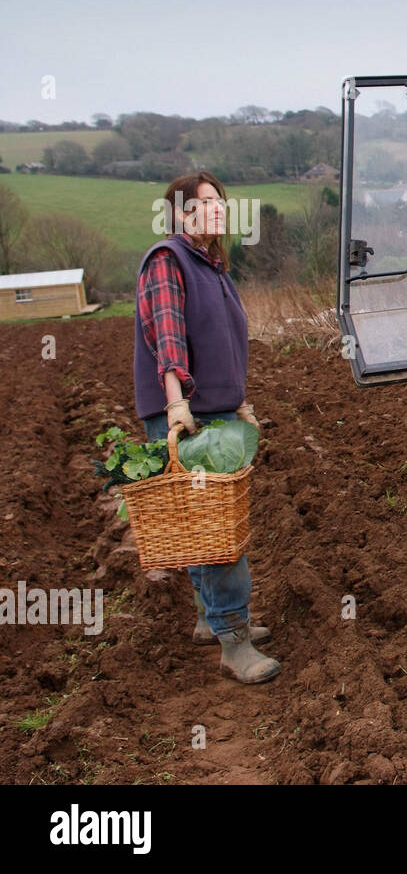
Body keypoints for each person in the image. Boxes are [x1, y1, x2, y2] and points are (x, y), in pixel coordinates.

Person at [133, 170, 281, 685]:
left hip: (213, 410)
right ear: (177, 213)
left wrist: (237, 401)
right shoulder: (168, 260)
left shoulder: (213, 266)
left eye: (219, 202)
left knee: (204, 525)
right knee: (217, 533)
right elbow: (168, 337)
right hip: (186, 413)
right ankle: (233, 643)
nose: (215, 210)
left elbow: (222, 343)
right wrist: (177, 404)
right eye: (202, 204)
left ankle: (207, 621)